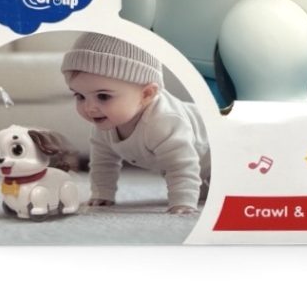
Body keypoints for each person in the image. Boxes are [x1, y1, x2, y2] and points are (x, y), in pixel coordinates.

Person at [61, 32, 209, 214]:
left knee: (228, 187)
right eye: (80, 96)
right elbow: (103, 163)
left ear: (146, 94)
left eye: (103, 96)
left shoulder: (164, 121)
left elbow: (181, 165)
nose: (89, 108)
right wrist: (102, 194)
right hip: (200, 168)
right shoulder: (105, 124)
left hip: (220, 150)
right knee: (205, 192)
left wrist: (183, 202)